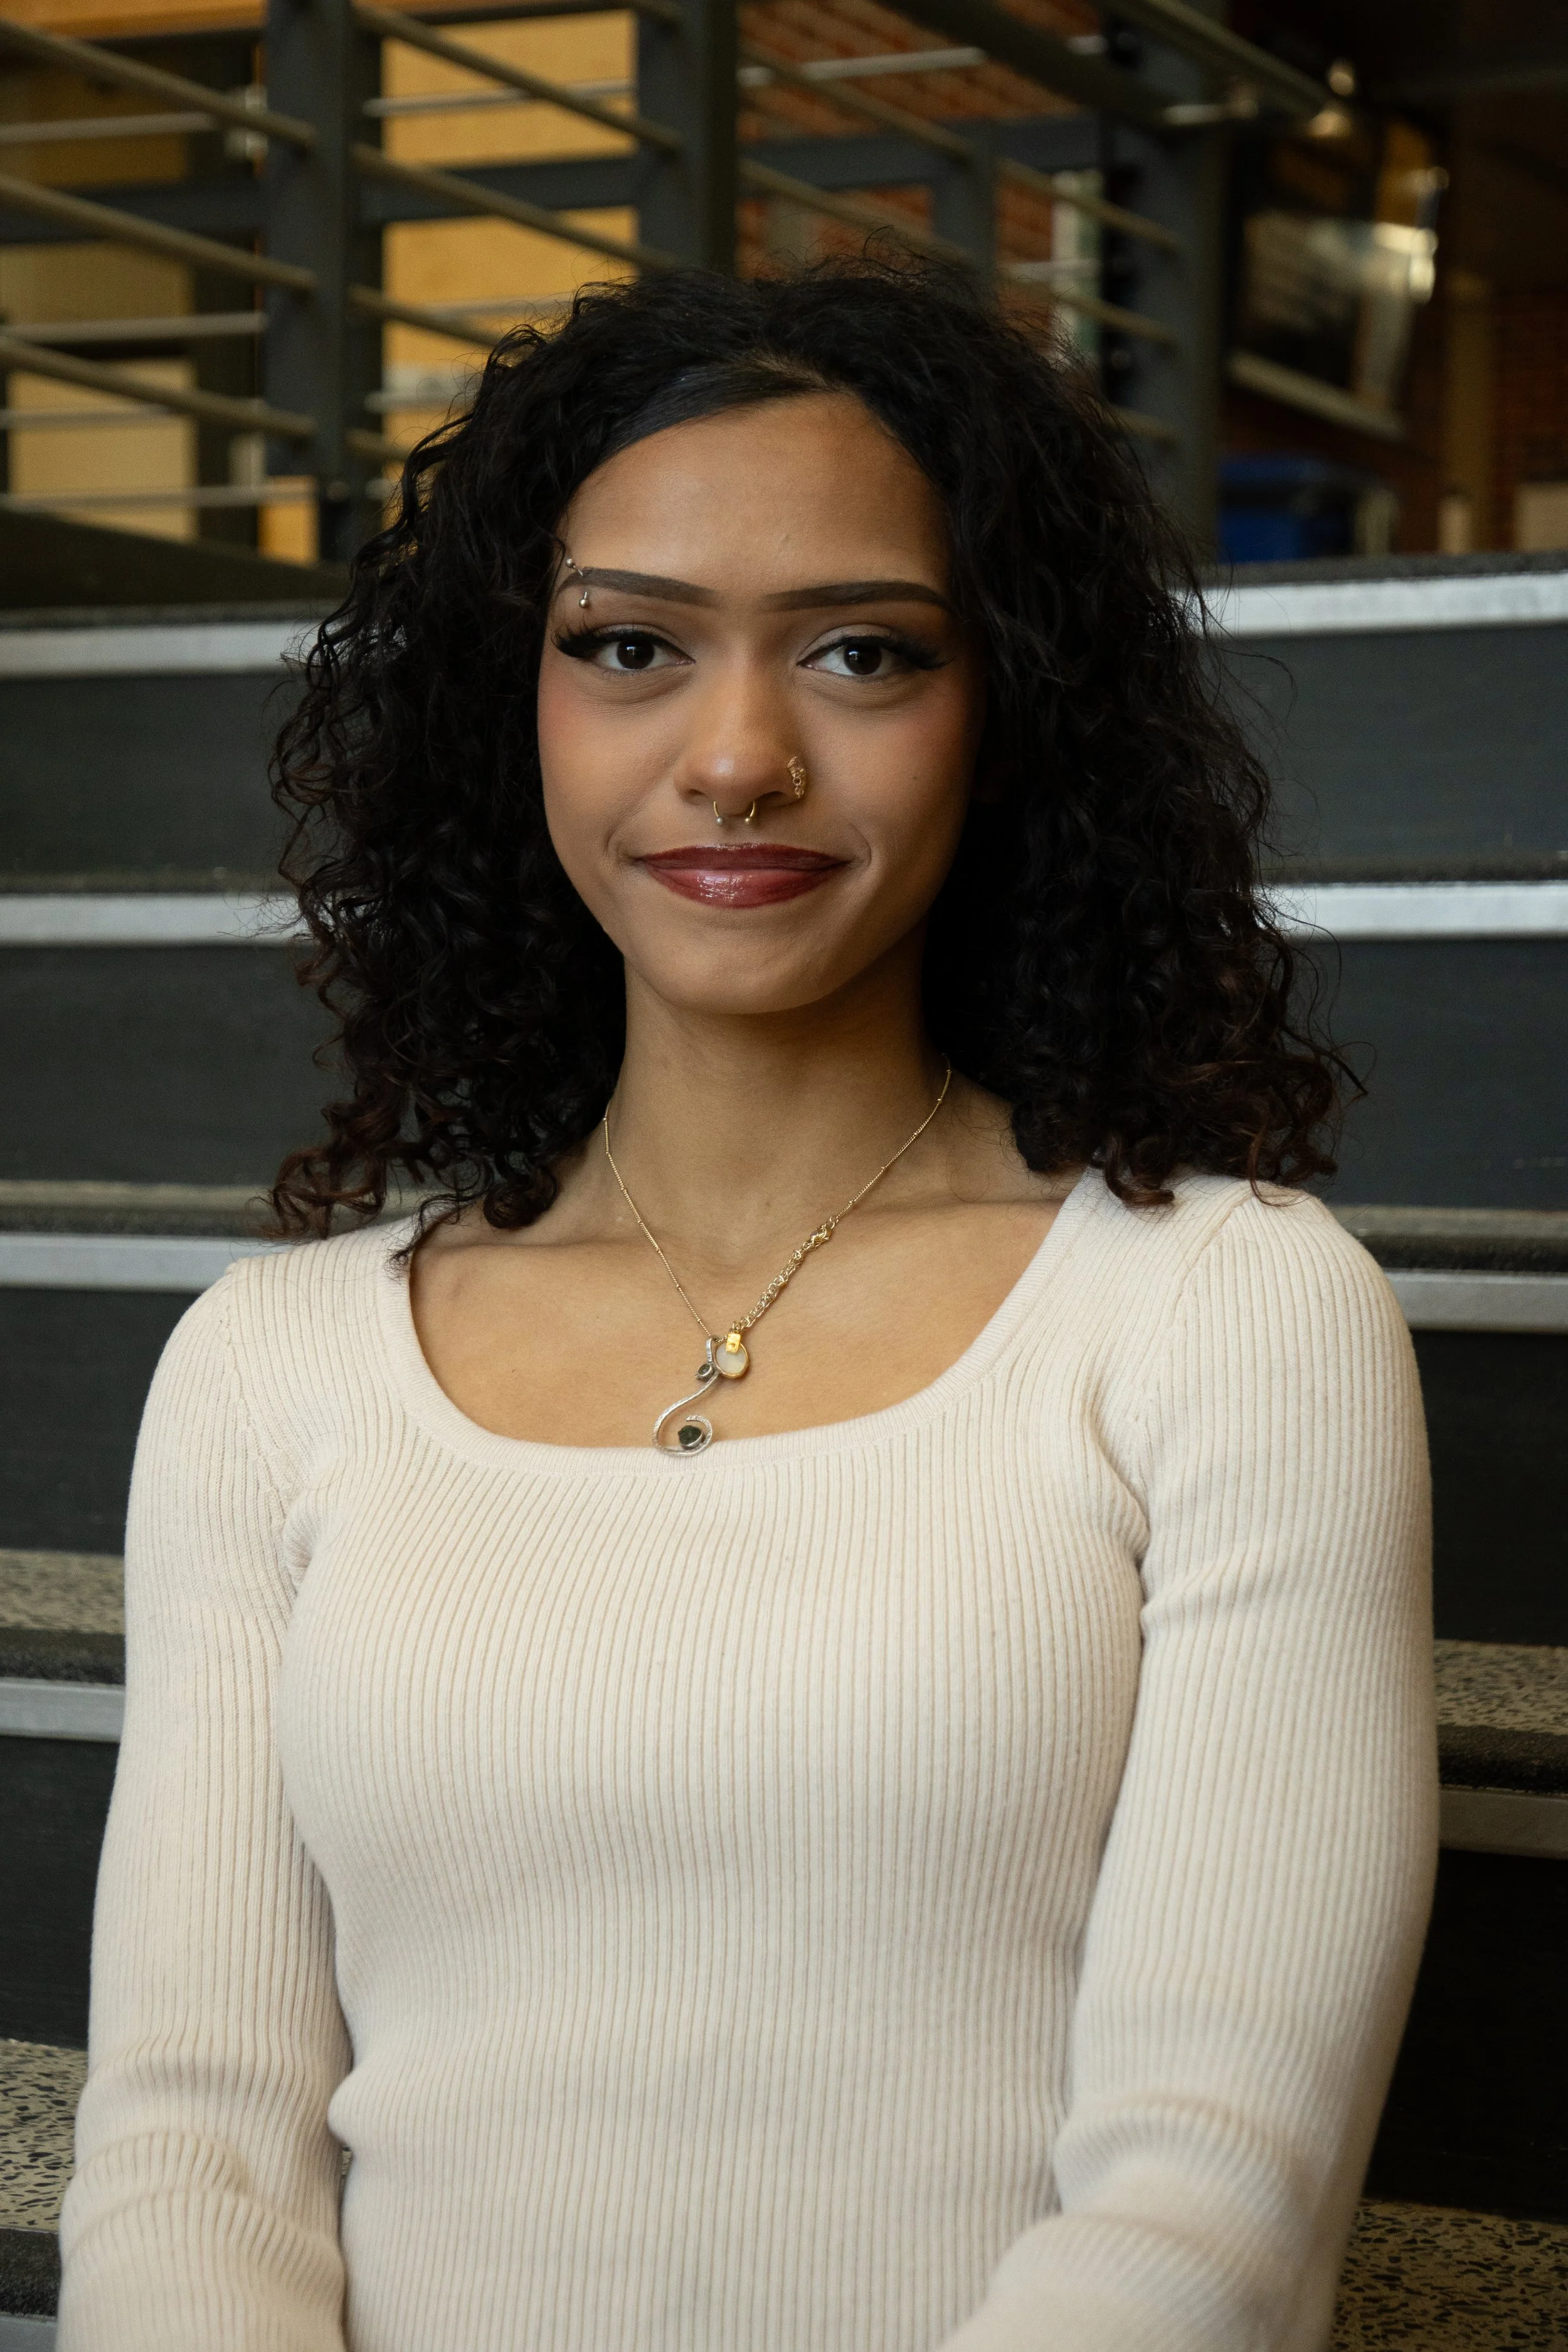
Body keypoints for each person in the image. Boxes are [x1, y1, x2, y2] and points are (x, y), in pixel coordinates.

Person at [59, 257, 1434, 2352]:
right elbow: (191, 2153)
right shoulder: (272, 1364)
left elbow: (1209, 2198)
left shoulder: (1227, 1315)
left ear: (1011, 712)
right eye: (627, 646)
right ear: (504, 699)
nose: (735, 758)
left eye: (863, 654)